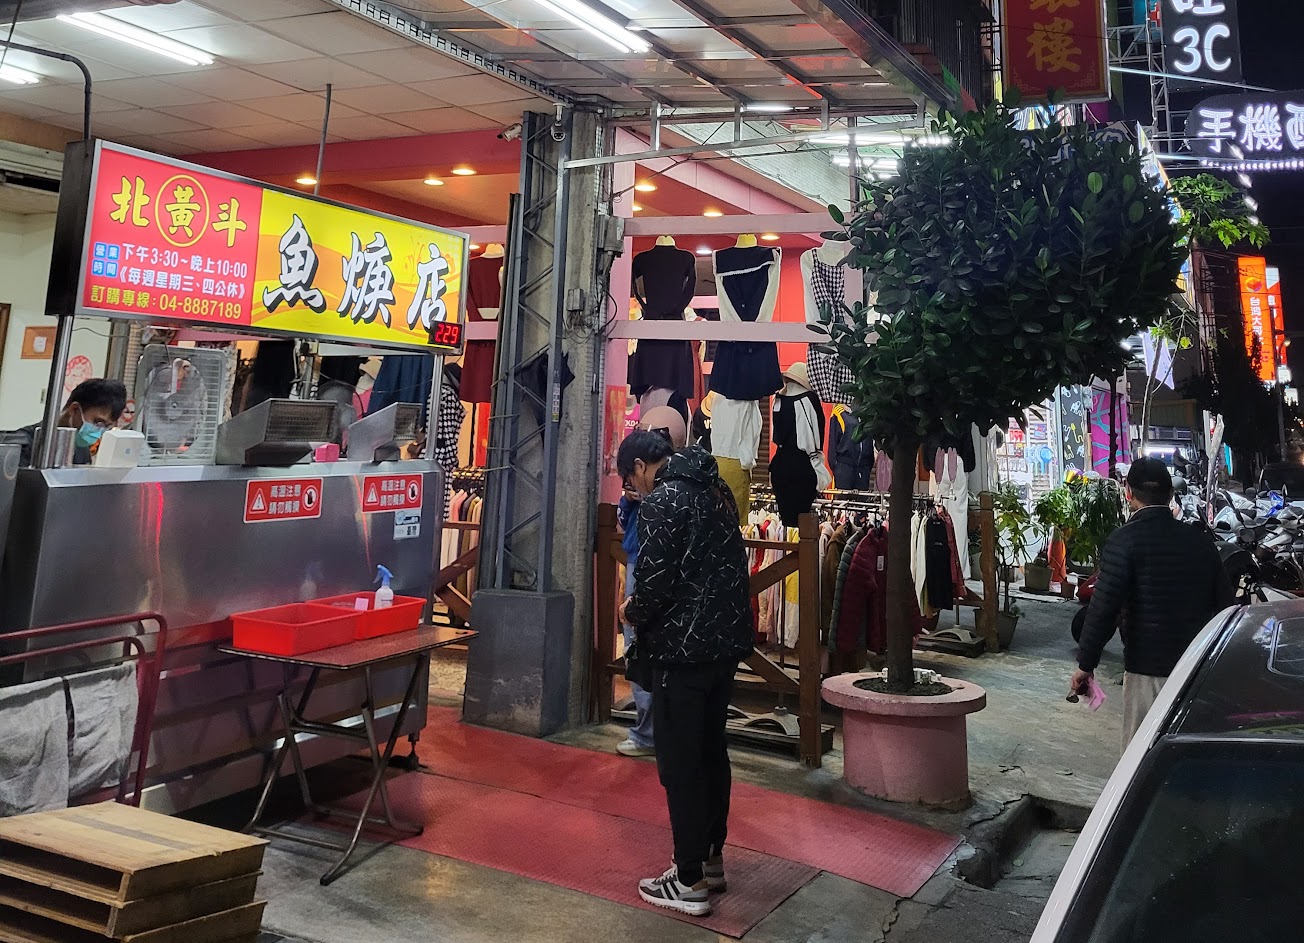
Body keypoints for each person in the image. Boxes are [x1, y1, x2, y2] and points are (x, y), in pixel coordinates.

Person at [617, 430, 753, 917]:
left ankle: (688, 877)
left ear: (639, 467)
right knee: (712, 752)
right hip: (725, 646)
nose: (634, 491)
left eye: (630, 482)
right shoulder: (716, 490)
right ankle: (711, 859)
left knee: (681, 763)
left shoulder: (663, 502)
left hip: (682, 651)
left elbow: (654, 584)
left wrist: (631, 611)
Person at [1071, 457, 1232, 750]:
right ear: (1170, 495)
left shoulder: (1123, 541)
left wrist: (1086, 665)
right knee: (1186, 754)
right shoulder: (1200, 542)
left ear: (1128, 493)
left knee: (1141, 756)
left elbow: (1103, 608)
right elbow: (1226, 607)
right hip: (1196, 669)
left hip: (1145, 669)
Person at [615, 406, 688, 758]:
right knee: (639, 644)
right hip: (638, 560)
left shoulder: (671, 490)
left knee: (643, 643)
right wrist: (630, 500)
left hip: (651, 566)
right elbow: (621, 522)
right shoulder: (676, 486)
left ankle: (652, 733)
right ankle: (652, 730)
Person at [2, 378, 127, 466]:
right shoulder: (22, 445)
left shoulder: (81, 450)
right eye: (98, 423)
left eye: (106, 426)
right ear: (74, 410)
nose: (99, 432)